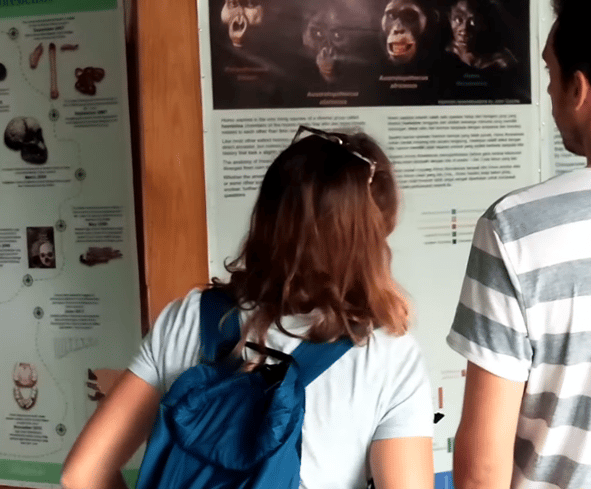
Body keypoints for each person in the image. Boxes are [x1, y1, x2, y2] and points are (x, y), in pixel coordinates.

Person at [61, 125, 434, 489]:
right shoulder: (387, 355)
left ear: (268, 217)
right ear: (369, 238)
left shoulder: (189, 317)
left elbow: (81, 474)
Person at [447, 0, 591, 489]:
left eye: (550, 69)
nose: (547, 88)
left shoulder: (515, 230)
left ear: (580, 88)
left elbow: (481, 472)